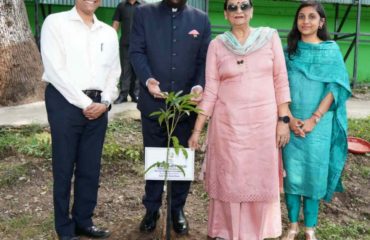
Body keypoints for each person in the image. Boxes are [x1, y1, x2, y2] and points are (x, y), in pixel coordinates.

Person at [188, 0, 291, 239]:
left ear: (251, 11)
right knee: (230, 179)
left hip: (263, 126)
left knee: (257, 178)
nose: (239, 11)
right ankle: (228, 232)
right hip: (228, 127)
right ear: (225, 14)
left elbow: (281, 79)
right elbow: (211, 89)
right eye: (232, 7)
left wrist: (283, 120)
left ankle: (256, 232)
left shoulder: (270, 38)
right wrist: (197, 130)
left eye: (244, 5)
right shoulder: (217, 45)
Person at [129, 0, 211, 235]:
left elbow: (204, 60)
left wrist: (198, 85)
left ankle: (177, 209)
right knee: (154, 157)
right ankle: (152, 208)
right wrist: (147, 80)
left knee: (181, 158)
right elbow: (136, 51)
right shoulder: (144, 13)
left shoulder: (200, 19)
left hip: (184, 108)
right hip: (153, 105)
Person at [40, 0, 120, 239]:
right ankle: (64, 228)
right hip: (65, 102)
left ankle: (83, 221)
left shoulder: (107, 32)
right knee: (64, 167)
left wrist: (105, 102)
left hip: (99, 106)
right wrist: (87, 104)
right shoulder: (55, 23)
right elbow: (55, 70)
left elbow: (114, 72)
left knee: (90, 167)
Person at [281, 1, 351, 240]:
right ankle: (292, 226)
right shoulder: (288, 51)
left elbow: (335, 87)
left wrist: (314, 118)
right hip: (290, 121)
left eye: (312, 17)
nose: (306, 21)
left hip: (319, 125)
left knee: (313, 175)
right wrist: (288, 118)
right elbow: (278, 86)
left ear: (321, 22)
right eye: (301, 16)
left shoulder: (330, 50)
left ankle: (310, 228)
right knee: (290, 175)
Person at [112, 0, 144, 104]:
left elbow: (150, 24)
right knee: (125, 70)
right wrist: (111, 39)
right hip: (125, 44)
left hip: (140, 45)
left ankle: (136, 95)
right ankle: (123, 95)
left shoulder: (145, 6)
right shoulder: (121, 6)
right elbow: (116, 23)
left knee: (138, 70)